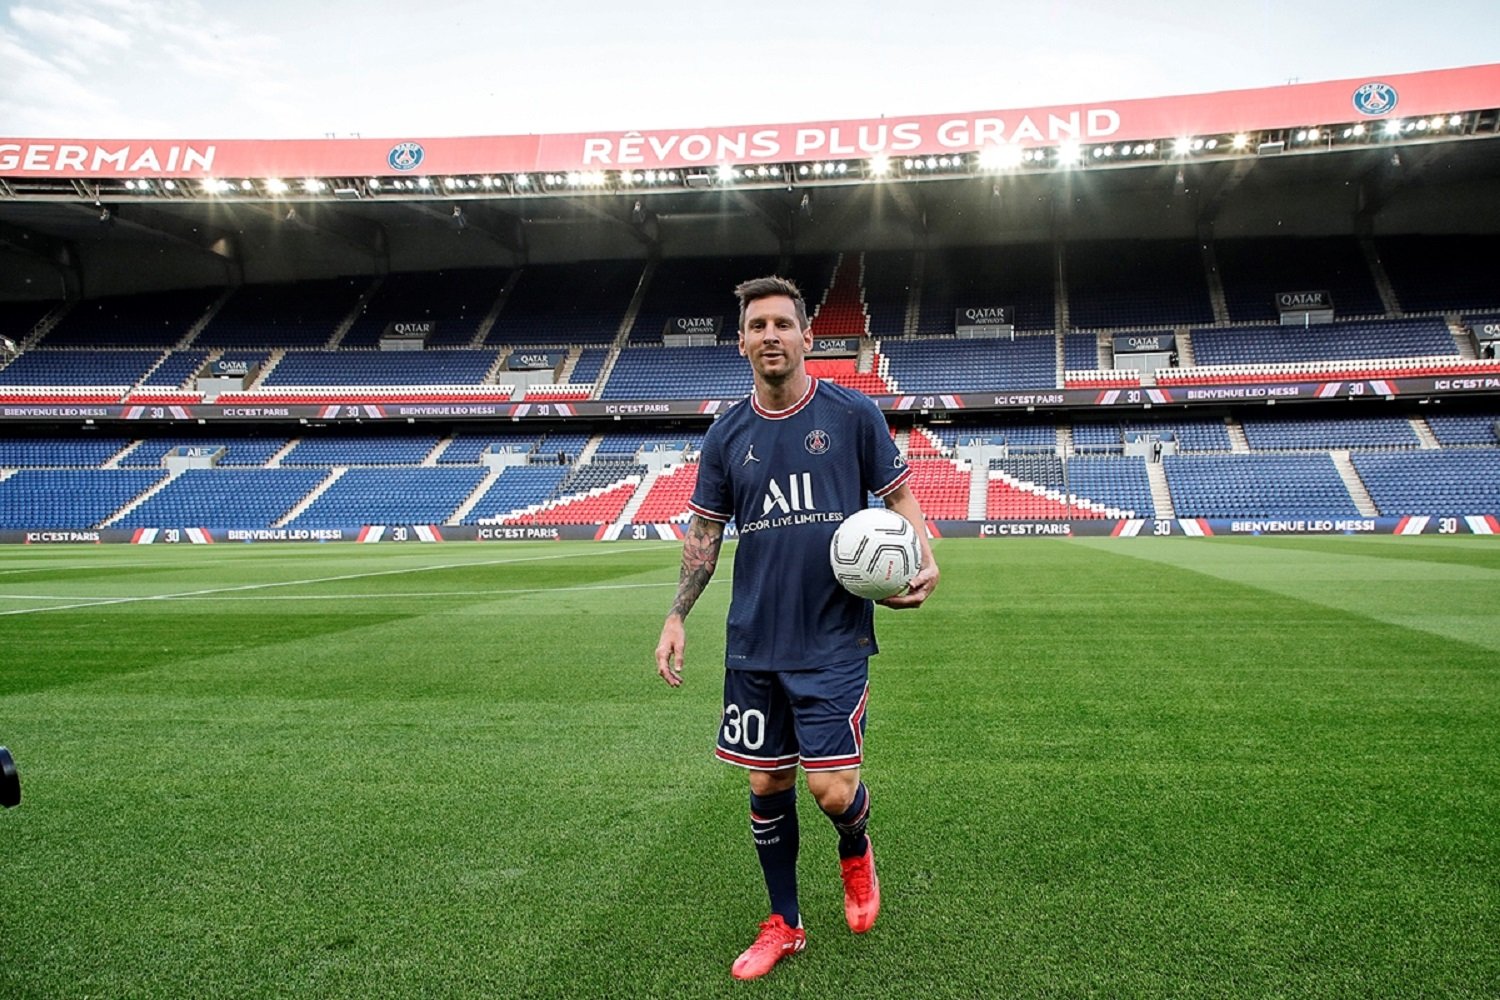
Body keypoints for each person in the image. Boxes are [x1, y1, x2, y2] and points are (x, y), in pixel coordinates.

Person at [654, 276, 938, 980]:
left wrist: (923, 559)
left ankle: (856, 846)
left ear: (808, 337)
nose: (771, 335)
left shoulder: (852, 414)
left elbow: (899, 494)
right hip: (754, 639)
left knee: (832, 791)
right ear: (743, 341)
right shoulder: (726, 434)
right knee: (767, 784)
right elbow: (705, 532)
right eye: (759, 326)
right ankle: (785, 922)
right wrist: (677, 613)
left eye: (784, 323)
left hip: (834, 635)